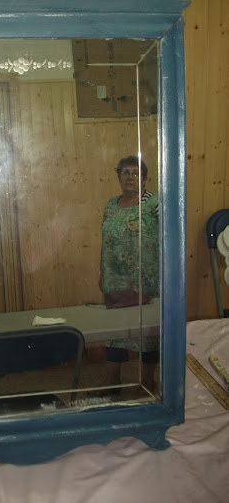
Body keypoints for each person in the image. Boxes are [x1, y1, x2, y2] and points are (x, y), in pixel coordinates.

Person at [100, 156, 160, 392]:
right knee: (115, 331)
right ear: (118, 177)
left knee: (148, 332)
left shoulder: (155, 203)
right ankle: (112, 380)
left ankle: (147, 381)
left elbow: (170, 235)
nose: (130, 177)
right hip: (115, 279)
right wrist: (102, 271)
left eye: (136, 173)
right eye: (125, 172)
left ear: (144, 178)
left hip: (146, 280)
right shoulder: (111, 205)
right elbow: (105, 241)